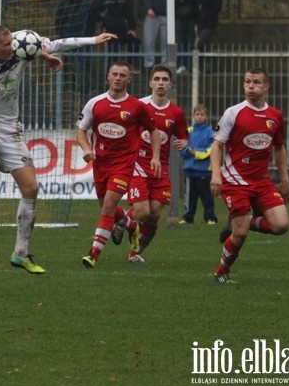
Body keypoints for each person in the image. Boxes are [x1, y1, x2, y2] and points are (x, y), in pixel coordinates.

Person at [0, 25, 114, 274]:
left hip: (11, 130)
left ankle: (21, 253)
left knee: (31, 188)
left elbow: (60, 43)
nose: (13, 47)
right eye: (7, 45)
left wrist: (94, 39)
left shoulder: (21, 45)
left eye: (13, 42)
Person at [210, 67, 289, 283]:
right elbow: (217, 145)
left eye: (255, 82)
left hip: (261, 181)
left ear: (266, 86)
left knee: (281, 225)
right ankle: (221, 272)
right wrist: (216, 174)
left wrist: (285, 179)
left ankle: (247, 220)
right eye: (247, 82)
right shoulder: (234, 113)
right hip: (235, 181)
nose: (250, 87)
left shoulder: (275, 116)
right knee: (240, 235)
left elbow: (279, 148)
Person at [77, 62, 161, 268]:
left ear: (129, 80)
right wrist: (87, 150)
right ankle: (131, 227)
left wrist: (156, 156)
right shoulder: (95, 103)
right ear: (108, 76)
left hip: (124, 164)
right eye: (114, 74)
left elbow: (154, 131)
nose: (118, 78)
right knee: (107, 208)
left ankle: (93, 254)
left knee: (108, 205)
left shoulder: (137, 106)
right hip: (100, 164)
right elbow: (81, 130)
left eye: (123, 75)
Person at [117, 65, 188, 264]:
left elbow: (183, 137)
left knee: (155, 214)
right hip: (139, 164)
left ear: (170, 84)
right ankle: (121, 220)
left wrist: (184, 142)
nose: (160, 83)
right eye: (156, 79)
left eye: (165, 80)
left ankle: (135, 252)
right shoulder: (139, 106)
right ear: (150, 83)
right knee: (142, 212)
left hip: (162, 168)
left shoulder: (176, 113)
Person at [87, 0, 141, 72]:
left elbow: (129, 12)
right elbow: (93, 11)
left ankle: (131, 64)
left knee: (135, 42)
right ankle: (109, 73)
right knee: (113, 53)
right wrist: (103, 18)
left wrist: (132, 28)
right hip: (109, 30)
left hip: (122, 28)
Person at [178, 103, 217, 225]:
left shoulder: (210, 132)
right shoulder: (188, 131)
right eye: (197, 114)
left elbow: (212, 150)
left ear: (206, 117)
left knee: (207, 196)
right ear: (194, 116)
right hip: (190, 169)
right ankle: (187, 217)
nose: (199, 117)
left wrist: (196, 153)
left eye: (202, 115)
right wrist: (187, 152)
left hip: (204, 170)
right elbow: (181, 146)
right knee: (190, 196)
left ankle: (210, 217)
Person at [142, 0, 171, 70]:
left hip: (167, 15)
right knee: (149, 41)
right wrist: (148, 7)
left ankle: (165, 64)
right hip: (152, 15)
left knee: (166, 42)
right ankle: (149, 64)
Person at [174, 0, 200, 74]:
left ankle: (195, 65)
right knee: (183, 41)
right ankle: (184, 64)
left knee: (193, 42)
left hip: (193, 17)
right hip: (181, 17)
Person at [196, 0, 223, 72]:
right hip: (201, 21)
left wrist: (209, 13)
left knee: (202, 42)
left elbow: (218, 6)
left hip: (210, 21)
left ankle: (207, 64)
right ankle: (204, 65)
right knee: (204, 44)